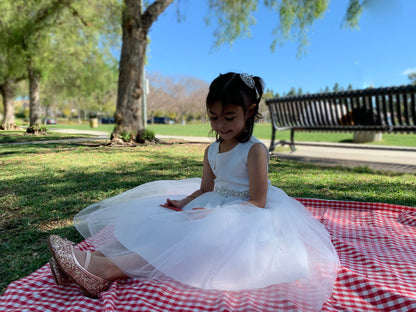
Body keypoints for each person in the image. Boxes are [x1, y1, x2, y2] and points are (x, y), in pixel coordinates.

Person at [48, 72, 339, 310]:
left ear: (249, 112)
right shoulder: (211, 149)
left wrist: (220, 215)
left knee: (191, 237)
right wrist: (183, 203)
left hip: (247, 214)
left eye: (229, 117)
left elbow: (258, 202)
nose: (220, 125)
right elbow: (205, 188)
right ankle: (93, 260)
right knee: (162, 224)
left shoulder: (255, 151)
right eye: (214, 117)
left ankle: (108, 270)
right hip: (212, 202)